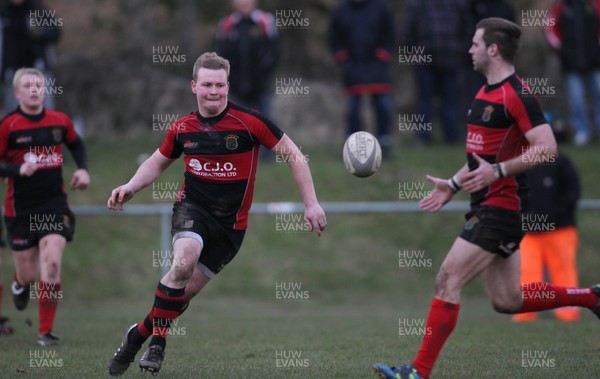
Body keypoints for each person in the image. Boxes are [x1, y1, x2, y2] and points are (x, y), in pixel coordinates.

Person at [374, 18, 600, 379]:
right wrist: (452, 183)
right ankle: (591, 297)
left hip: (503, 207)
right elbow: (481, 160)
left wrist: (499, 172)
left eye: (475, 44)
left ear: (493, 49)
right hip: (486, 205)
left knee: (447, 279)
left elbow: (548, 149)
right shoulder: (482, 95)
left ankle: (417, 372)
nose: (469, 50)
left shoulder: (519, 95)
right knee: (507, 300)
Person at [107, 52, 326, 376]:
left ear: (228, 86)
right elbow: (156, 162)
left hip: (231, 227)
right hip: (192, 209)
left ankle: (137, 334)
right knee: (182, 263)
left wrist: (311, 203)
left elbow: (294, 155)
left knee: (180, 295)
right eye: (207, 84)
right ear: (194, 86)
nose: (213, 91)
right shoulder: (182, 128)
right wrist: (131, 185)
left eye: (219, 85)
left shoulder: (250, 123)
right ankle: (158, 345)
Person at [0, 67, 90, 346]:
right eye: (27, 86)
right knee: (28, 274)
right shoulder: (9, 126)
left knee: (51, 263)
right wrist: (17, 169)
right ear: (17, 92)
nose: (34, 89)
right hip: (20, 209)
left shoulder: (59, 121)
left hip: (53, 205)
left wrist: (83, 170)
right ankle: (20, 283)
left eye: (39, 85)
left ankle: (45, 332)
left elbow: (77, 145)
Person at [513, 152, 582, 322]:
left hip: (560, 230)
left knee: (563, 271)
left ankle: (568, 313)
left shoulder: (560, 162)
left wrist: (553, 217)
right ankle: (526, 313)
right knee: (528, 273)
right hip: (529, 232)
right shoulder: (521, 163)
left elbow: (572, 192)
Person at [399, 0, 471, 145]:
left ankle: (451, 137)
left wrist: (461, 51)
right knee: (425, 100)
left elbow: (467, 28)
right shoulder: (417, 4)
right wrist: (416, 54)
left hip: (451, 59)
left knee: (451, 100)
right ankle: (423, 137)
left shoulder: (457, 4)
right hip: (424, 61)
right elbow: (406, 32)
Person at [329, 0, 394, 157]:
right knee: (352, 109)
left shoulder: (381, 8)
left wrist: (383, 54)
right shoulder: (341, 10)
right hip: (353, 66)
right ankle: (353, 146)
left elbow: (390, 33)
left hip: (376, 66)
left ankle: (384, 144)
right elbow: (333, 36)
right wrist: (343, 57)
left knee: (382, 105)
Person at [546, 0, 600, 146]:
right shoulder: (560, 6)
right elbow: (550, 29)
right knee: (576, 99)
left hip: (595, 61)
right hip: (571, 63)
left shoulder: (594, 4)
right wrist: (563, 50)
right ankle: (582, 131)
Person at [215, 0, 279, 117]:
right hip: (236, 88)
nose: (244, 2)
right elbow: (221, 55)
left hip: (262, 87)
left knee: (266, 124)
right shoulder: (226, 24)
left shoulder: (266, 21)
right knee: (238, 125)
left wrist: (263, 72)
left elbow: (274, 52)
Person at [0, 0, 61, 114]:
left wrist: (40, 32)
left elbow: (55, 33)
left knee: (45, 114)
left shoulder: (38, 10)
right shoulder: (4, 14)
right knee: (15, 117)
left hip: (38, 71)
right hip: (13, 75)